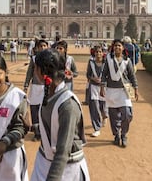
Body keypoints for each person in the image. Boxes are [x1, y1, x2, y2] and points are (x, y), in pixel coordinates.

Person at [29, 48, 90, 181]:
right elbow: (53, 126)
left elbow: (63, 151)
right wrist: (32, 127)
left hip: (66, 170)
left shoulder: (67, 105)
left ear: (41, 72)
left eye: (35, 69)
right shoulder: (51, 94)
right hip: (45, 163)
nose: (34, 72)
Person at [100, 39, 139, 147]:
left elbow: (132, 76)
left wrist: (135, 88)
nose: (117, 47)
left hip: (124, 91)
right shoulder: (109, 60)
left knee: (127, 114)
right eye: (116, 46)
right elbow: (104, 74)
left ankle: (124, 134)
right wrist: (102, 87)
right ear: (113, 48)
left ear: (123, 48)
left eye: (119, 46)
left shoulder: (127, 61)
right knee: (113, 116)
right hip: (111, 90)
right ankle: (116, 134)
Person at [23, 39, 49, 141]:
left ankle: (45, 132)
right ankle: (37, 132)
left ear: (47, 47)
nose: (42, 48)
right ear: (37, 48)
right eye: (40, 46)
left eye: (44, 46)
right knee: (34, 109)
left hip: (46, 87)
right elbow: (29, 73)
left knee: (45, 110)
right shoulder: (34, 59)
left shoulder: (51, 58)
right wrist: (26, 85)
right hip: (35, 86)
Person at [87, 46, 107, 137]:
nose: (98, 54)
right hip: (94, 87)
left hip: (104, 87)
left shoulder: (106, 63)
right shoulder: (91, 62)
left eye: (100, 52)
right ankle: (97, 128)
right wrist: (93, 78)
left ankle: (104, 116)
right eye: (96, 52)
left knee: (103, 106)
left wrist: (103, 81)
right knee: (94, 108)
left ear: (103, 53)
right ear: (94, 53)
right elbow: (88, 74)